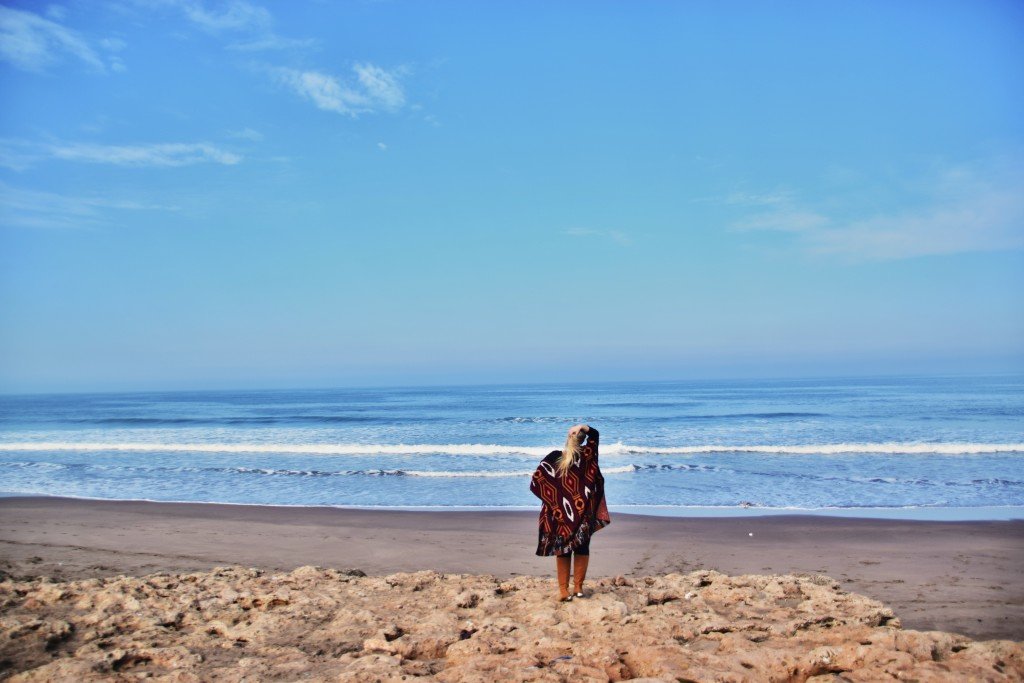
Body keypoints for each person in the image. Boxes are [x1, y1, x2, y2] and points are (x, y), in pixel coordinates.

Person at [529, 423, 610, 601]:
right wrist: (583, 426)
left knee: (563, 549)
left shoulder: (553, 457)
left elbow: (536, 482)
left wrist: (555, 503)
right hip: (583, 515)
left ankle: (564, 591)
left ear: (568, 439)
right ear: (582, 440)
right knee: (582, 547)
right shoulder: (589, 456)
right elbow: (595, 435)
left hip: (560, 516)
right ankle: (578, 588)